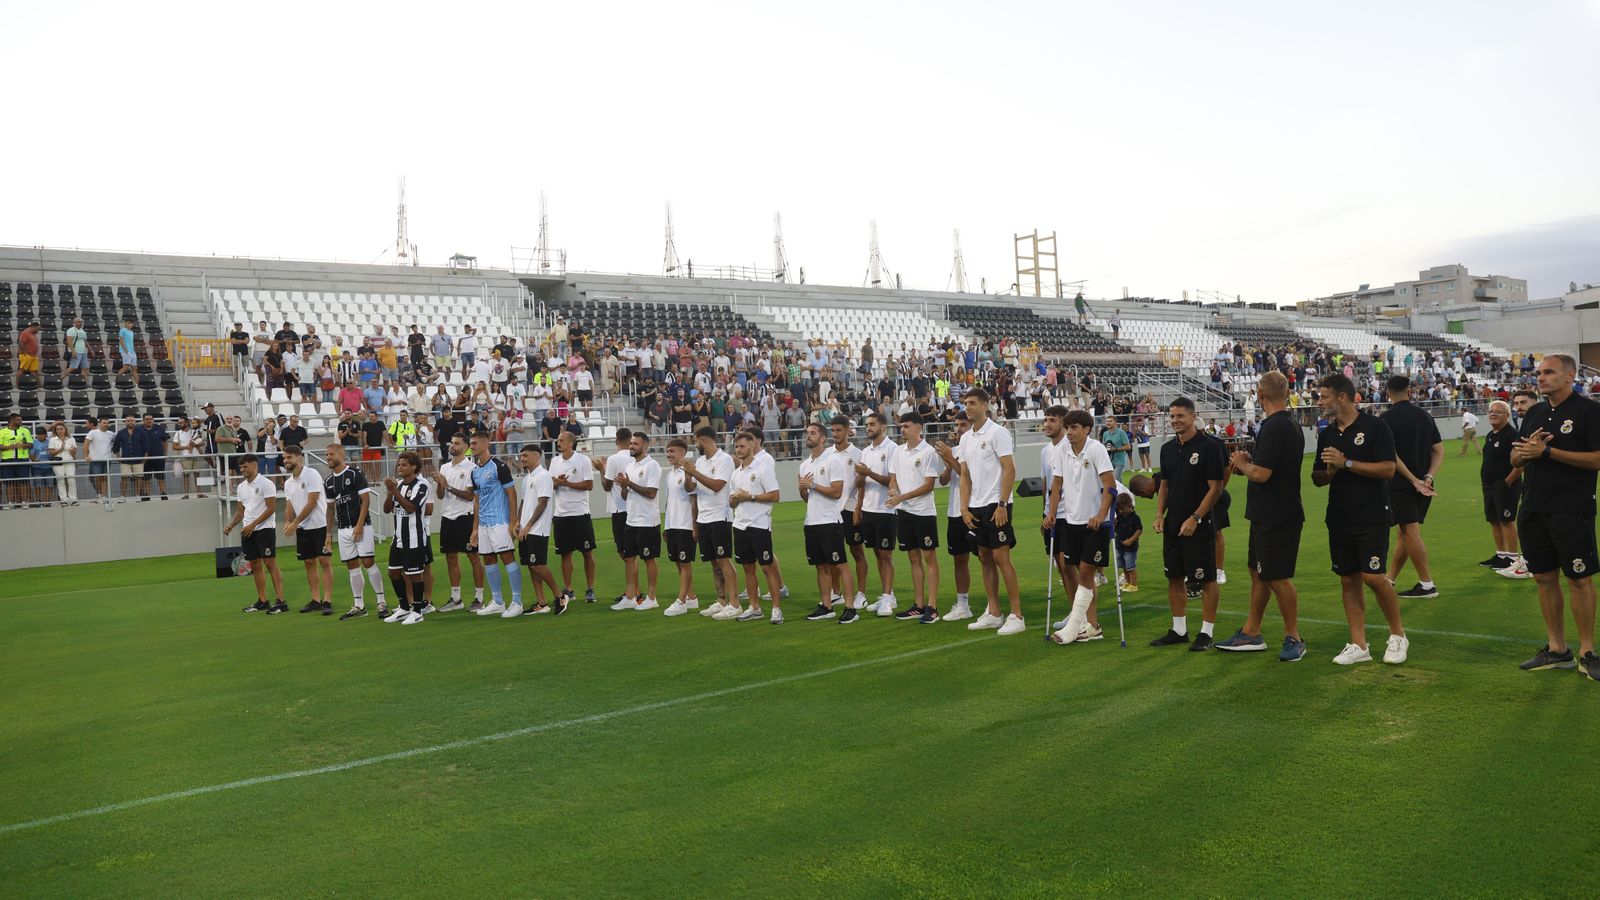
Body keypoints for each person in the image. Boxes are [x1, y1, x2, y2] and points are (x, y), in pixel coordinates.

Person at [1509, 353, 1600, 677]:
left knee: (1579, 579)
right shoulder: (1534, 413)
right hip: (1533, 507)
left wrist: (1547, 451)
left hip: (1572, 508)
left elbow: (1596, 459)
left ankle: (1588, 652)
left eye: (1549, 372)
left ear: (1570, 376)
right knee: (1544, 578)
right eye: (1539, 373)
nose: (1541, 377)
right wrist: (1524, 453)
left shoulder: (1589, 411)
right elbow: (1516, 460)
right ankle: (1557, 649)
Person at [1312, 374, 1409, 666]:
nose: (1320, 402)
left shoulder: (1375, 426)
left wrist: (1347, 463)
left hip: (1372, 515)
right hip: (1339, 516)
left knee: (1374, 577)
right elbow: (1318, 476)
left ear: (1342, 397)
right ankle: (1359, 644)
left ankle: (1398, 635)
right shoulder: (1327, 432)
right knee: (1348, 579)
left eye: (1324, 397)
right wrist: (1329, 473)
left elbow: (1388, 469)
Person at [1215, 371, 1306, 660]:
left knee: (1277, 577)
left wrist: (1242, 463)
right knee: (1260, 573)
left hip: (1277, 514)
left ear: (1259, 393)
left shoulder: (1275, 426)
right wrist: (1250, 466)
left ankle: (1294, 637)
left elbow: (1263, 474)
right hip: (1270, 511)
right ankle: (1251, 632)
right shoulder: (1288, 423)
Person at [1150, 397, 1224, 650]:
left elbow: (1216, 488)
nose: (1175, 421)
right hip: (1173, 525)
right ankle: (1179, 630)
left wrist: (1196, 517)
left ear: (1193, 417)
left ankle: (1206, 633)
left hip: (1199, 525)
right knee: (1174, 577)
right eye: (1171, 416)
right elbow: (1164, 486)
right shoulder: (1167, 449)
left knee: (1206, 579)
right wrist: (1160, 514)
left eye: (1180, 416)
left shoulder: (1210, 447)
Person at [959, 387, 1026, 635]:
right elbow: (964, 476)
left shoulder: (998, 433)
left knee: (1001, 558)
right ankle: (994, 612)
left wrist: (1002, 503)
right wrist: (963, 508)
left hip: (995, 504)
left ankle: (1017, 615)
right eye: (966, 403)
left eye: (973, 402)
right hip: (975, 506)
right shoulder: (965, 438)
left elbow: (1009, 469)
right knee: (984, 558)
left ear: (986, 405)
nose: (968, 407)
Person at [1047, 409, 1115, 645]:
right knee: (1080, 573)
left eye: (1074, 428)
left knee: (1086, 572)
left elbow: (1110, 485)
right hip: (1071, 522)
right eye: (1068, 428)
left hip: (1095, 523)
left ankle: (1075, 626)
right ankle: (1093, 626)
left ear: (1087, 429)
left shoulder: (1096, 449)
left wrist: (1101, 514)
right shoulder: (1061, 451)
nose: (1069, 432)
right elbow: (1056, 485)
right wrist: (1052, 513)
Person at [1381, 375, 1443, 599]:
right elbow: (1438, 450)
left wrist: (1412, 479)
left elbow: (1391, 455)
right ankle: (1390, 578)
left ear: (1388, 392)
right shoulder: (1424, 415)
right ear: (1410, 391)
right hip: (1424, 484)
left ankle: (1427, 585)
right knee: (1405, 532)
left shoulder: (1385, 418)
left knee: (1409, 530)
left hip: (1401, 484)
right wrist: (1427, 476)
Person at [798, 422, 859, 623]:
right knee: (820, 566)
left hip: (830, 521)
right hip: (812, 521)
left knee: (840, 564)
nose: (808, 436)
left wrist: (812, 485)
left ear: (822, 438)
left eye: (812, 433)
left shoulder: (833, 460)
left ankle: (850, 608)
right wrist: (803, 489)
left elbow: (836, 492)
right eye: (807, 433)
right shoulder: (804, 464)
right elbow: (807, 497)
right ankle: (826, 605)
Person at [886, 411, 942, 623]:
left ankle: (932, 606)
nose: (902, 429)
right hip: (904, 512)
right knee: (912, 558)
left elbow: (929, 485)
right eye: (901, 426)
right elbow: (893, 479)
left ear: (919, 428)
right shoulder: (898, 451)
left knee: (930, 558)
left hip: (923, 512)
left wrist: (901, 496)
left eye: (906, 426)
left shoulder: (928, 452)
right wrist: (893, 491)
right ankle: (918, 605)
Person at [322, 442, 388, 619]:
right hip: (343, 530)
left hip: (362, 526)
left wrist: (359, 525)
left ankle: (381, 602)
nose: (328, 458)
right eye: (326, 455)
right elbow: (330, 509)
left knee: (367, 562)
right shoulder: (328, 482)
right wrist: (328, 534)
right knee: (352, 565)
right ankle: (359, 605)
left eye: (331, 454)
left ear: (341, 454)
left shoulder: (355, 473)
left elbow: (365, 500)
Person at [681, 426, 741, 618]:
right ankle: (721, 600)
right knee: (714, 562)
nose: (695, 444)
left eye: (696, 440)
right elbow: (692, 489)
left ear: (704, 440)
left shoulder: (724, 460)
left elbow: (717, 486)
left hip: (720, 516)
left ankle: (735, 603)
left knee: (724, 561)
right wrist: (688, 476)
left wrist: (695, 473)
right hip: (704, 517)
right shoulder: (700, 461)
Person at [728, 430, 784, 624]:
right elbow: (731, 502)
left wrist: (749, 496)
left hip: (759, 525)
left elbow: (775, 496)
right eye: (736, 447)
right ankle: (754, 607)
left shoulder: (763, 469)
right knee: (747, 568)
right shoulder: (735, 473)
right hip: (740, 525)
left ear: (752, 446)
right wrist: (734, 499)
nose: (739, 450)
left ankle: (776, 609)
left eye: (742, 446)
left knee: (767, 567)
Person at [224, 454, 287, 615]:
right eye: (241, 467)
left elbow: (271, 508)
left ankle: (281, 601)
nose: (242, 469)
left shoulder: (266, 484)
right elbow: (240, 511)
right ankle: (262, 600)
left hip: (264, 529)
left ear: (254, 465)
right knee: (255, 565)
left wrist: (253, 524)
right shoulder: (241, 487)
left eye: (245, 466)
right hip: (247, 530)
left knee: (270, 564)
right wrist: (231, 525)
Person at [468, 432, 523, 617]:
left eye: (475, 443)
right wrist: (475, 528)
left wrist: (513, 521)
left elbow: (512, 494)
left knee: (507, 557)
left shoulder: (499, 466)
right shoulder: (474, 471)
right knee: (488, 559)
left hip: (500, 521)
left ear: (485, 444)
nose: (472, 446)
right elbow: (476, 501)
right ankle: (498, 601)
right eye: (471, 443)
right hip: (483, 524)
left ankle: (517, 602)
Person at [433, 433, 487, 612]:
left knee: (473, 557)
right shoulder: (444, 467)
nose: (452, 446)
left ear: (465, 447)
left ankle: (479, 598)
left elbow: (470, 495)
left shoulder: (473, 468)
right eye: (451, 443)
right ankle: (456, 599)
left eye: (456, 443)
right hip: (447, 516)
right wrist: (441, 484)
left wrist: (447, 485)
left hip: (465, 516)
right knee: (450, 557)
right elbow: (440, 495)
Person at [853, 413, 900, 616]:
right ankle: (887, 594)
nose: (868, 427)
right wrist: (858, 506)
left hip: (886, 509)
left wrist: (868, 473)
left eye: (872, 424)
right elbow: (860, 484)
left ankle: (888, 598)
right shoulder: (866, 452)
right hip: (869, 509)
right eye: (867, 425)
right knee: (877, 553)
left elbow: (891, 481)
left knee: (886, 555)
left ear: (883, 426)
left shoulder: (892, 449)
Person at [280, 444, 334, 615]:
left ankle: (327, 600)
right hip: (303, 527)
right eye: (284, 458)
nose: (285, 460)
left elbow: (312, 502)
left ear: (299, 457)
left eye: (289, 457)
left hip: (320, 524)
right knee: (309, 563)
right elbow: (289, 504)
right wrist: (288, 521)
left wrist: (295, 523)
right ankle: (316, 599)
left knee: (324, 562)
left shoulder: (312, 474)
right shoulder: (288, 482)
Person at [613, 431, 663, 610]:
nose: (631, 446)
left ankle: (651, 597)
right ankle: (630, 596)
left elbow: (651, 493)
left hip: (647, 520)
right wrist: (623, 486)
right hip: (631, 519)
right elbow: (626, 496)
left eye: (635, 444)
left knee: (648, 559)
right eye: (631, 443)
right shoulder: (630, 466)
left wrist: (629, 484)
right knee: (629, 558)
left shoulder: (652, 466)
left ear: (645, 445)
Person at [933, 412, 975, 620]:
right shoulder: (955, 450)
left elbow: (971, 478)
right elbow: (942, 481)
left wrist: (951, 459)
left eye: (963, 424)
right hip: (954, 511)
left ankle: (994, 607)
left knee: (989, 558)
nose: (958, 429)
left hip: (974, 509)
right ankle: (963, 604)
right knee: (959, 559)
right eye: (956, 425)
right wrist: (948, 463)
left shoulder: (975, 450)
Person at [381, 451, 432, 625]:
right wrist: (390, 492)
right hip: (399, 537)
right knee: (393, 572)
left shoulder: (422, 486)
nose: (400, 467)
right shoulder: (399, 485)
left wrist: (394, 489)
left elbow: (411, 508)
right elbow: (387, 509)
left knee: (415, 574)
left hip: (414, 537)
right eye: (399, 464)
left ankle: (417, 611)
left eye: (404, 464)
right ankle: (404, 607)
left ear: (414, 467)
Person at [548, 430, 599, 605]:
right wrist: (556, 482)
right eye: (558, 439)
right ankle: (568, 589)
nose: (558, 442)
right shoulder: (555, 461)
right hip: (561, 514)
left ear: (570, 443)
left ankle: (590, 588)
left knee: (587, 552)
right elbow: (551, 485)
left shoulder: (583, 460)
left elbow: (589, 485)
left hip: (580, 513)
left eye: (561, 440)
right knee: (565, 555)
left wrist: (566, 483)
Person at [1478, 400, 1527, 576]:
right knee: (1493, 519)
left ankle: (1513, 557)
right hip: (1489, 485)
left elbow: (1520, 464)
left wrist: (1507, 482)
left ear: (1507, 415)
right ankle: (1501, 554)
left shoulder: (1512, 435)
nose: (1493, 414)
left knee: (1506, 520)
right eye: (1491, 411)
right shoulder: (1491, 434)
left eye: (1498, 412)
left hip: (1506, 484)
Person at [514, 444, 563, 615]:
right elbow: (522, 503)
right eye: (521, 456)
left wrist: (528, 525)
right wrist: (517, 522)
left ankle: (560, 595)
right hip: (525, 529)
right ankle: (541, 602)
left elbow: (543, 503)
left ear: (537, 456)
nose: (523, 459)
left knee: (538, 565)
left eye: (526, 456)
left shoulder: (544, 476)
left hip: (537, 529)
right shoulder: (527, 479)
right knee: (530, 565)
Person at [830, 418, 870, 611]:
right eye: (833, 430)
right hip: (831, 512)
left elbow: (862, 484)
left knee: (857, 551)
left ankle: (861, 593)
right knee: (834, 552)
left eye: (839, 430)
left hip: (850, 508)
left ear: (848, 431)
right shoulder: (827, 454)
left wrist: (858, 508)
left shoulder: (857, 454)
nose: (835, 434)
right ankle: (836, 593)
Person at [661, 438, 702, 616]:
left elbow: (693, 496)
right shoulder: (670, 475)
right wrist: (666, 526)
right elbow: (669, 502)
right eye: (668, 451)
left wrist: (694, 526)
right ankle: (692, 597)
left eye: (672, 451)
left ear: (682, 453)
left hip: (685, 525)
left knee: (685, 563)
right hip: (672, 525)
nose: (669, 454)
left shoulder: (690, 471)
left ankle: (681, 601)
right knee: (678, 562)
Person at [595, 428, 634, 600]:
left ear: (616, 440)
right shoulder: (634, 457)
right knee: (630, 554)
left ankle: (633, 592)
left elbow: (606, 486)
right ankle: (633, 591)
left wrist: (601, 469)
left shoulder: (614, 459)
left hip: (619, 508)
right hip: (633, 508)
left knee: (625, 553)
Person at [1113, 492, 1141, 592]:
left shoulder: (1135, 518)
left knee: (1130, 567)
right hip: (1119, 546)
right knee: (1124, 567)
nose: (1120, 511)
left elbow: (1139, 530)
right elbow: (1115, 529)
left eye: (1122, 509)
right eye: (1119, 509)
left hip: (1130, 547)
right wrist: (1114, 524)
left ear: (1130, 506)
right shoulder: (1119, 517)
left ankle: (1134, 585)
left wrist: (1131, 540)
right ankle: (1128, 583)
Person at [138, 413, 170, 500]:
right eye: (147, 419)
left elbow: (165, 441)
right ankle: (147, 494)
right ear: (143, 420)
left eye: (151, 419)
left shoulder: (159, 428)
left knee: (160, 477)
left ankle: (163, 493)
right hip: (145, 459)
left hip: (158, 457)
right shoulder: (138, 429)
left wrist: (165, 454)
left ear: (153, 420)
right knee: (146, 478)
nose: (149, 420)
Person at [47, 421, 79, 504]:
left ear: (65, 429)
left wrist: (72, 450)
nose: (59, 431)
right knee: (60, 480)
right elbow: (51, 452)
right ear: (55, 430)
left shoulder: (71, 438)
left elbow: (74, 452)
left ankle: (73, 499)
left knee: (71, 479)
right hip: (58, 462)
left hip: (69, 461)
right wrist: (60, 449)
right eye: (57, 429)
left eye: (61, 429)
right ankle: (63, 500)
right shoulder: (53, 439)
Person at [84, 417, 114, 502]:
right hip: (95, 460)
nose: (106, 424)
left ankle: (104, 496)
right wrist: (86, 456)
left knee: (104, 478)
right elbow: (86, 444)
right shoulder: (93, 432)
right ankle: (99, 495)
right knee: (97, 478)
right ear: (100, 423)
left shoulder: (111, 434)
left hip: (107, 460)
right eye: (104, 423)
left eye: (107, 423)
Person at [1101, 415, 1131, 484]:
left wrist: (1116, 449)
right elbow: (1104, 446)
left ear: (1115, 423)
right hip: (1110, 461)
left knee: (1115, 480)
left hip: (1120, 461)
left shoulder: (1121, 432)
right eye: (1107, 421)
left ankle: (1119, 494)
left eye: (1110, 421)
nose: (1108, 423)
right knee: (1118, 482)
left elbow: (1128, 447)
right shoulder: (1105, 433)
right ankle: (1124, 493)